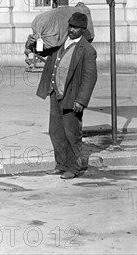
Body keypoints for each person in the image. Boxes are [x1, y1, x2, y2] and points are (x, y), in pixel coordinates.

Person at [29, 12, 97, 180]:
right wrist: (34, 43)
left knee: (72, 133)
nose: (72, 30)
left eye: (76, 28)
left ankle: (73, 168)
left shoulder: (87, 50)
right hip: (55, 94)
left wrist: (81, 100)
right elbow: (42, 52)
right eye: (70, 26)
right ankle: (60, 165)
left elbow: (90, 78)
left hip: (72, 98)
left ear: (83, 30)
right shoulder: (59, 42)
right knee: (56, 132)